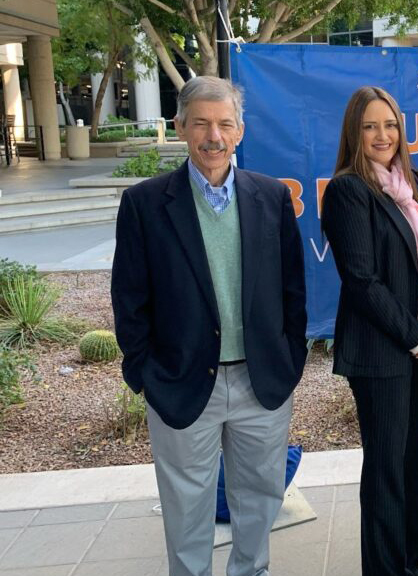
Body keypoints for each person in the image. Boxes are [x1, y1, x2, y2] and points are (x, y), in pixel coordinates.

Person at [111, 75, 307, 576]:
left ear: (240, 131)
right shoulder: (145, 204)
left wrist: (289, 363)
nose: (213, 136)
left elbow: (293, 290)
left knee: (260, 495)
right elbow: (129, 299)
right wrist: (144, 374)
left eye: (224, 124)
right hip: (180, 380)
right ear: (180, 127)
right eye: (200, 123)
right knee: (186, 507)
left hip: (261, 380)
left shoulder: (270, 197)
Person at [321, 86, 418, 576]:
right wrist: (416, 335)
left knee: (410, 463)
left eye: (390, 124)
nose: (382, 135)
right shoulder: (349, 189)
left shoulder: (407, 183)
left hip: (417, 348)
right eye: (370, 125)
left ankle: (409, 564)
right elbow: (361, 280)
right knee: (386, 471)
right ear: (355, 131)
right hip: (381, 352)